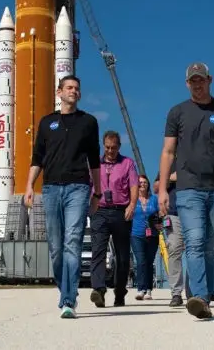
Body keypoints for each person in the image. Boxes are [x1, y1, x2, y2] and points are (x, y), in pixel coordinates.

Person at [158, 61, 214, 319]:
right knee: (194, 242)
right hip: (188, 189)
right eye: (192, 81)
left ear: (209, 80)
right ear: (187, 83)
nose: (197, 84)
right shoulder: (177, 112)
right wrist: (162, 189)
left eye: (201, 79)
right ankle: (198, 297)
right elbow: (168, 151)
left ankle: (203, 296)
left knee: (210, 245)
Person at [23, 75, 102, 319]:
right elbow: (38, 158)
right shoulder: (47, 123)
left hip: (78, 188)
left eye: (77, 88)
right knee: (56, 248)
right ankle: (64, 289)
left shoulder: (88, 122)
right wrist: (29, 186)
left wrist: (97, 192)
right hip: (51, 189)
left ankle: (69, 299)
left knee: (72, 242)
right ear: (59, 92)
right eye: (69, 88)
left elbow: (94, 160)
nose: (73, 91)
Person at [88, 130, 139, 308]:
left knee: (122, 256)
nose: (110, 151)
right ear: (104, 146)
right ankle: (99, 289)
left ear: (119, 147)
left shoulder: (127, 164)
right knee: (98, 252)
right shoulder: (95, 164)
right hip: (100, 211)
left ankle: (119, 291)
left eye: (114, 148)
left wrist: (132, 205)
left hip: (120, 212)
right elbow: (88, 185)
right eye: (108, 148)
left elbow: (134, 185)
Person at [156, 165, 188, 306]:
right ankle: (176, 293)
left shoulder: (196, 155)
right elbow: (156, 187)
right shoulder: (169, 163)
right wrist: (170, 178)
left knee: (195, 251)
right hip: (173, 213)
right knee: (174, 250)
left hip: (194, 212)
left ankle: (194, 292)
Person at [130, 174, 161, 300]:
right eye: (140, 182)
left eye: (145, 182)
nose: (142, 184)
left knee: (149, 262)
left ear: (148, 185)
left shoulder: (154, 199)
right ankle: (140, 289)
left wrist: (160, 223)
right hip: (136, 234)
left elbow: (161, 213)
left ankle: (148, 289)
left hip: (152, 235)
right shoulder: (132, 199)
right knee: (141, 261)